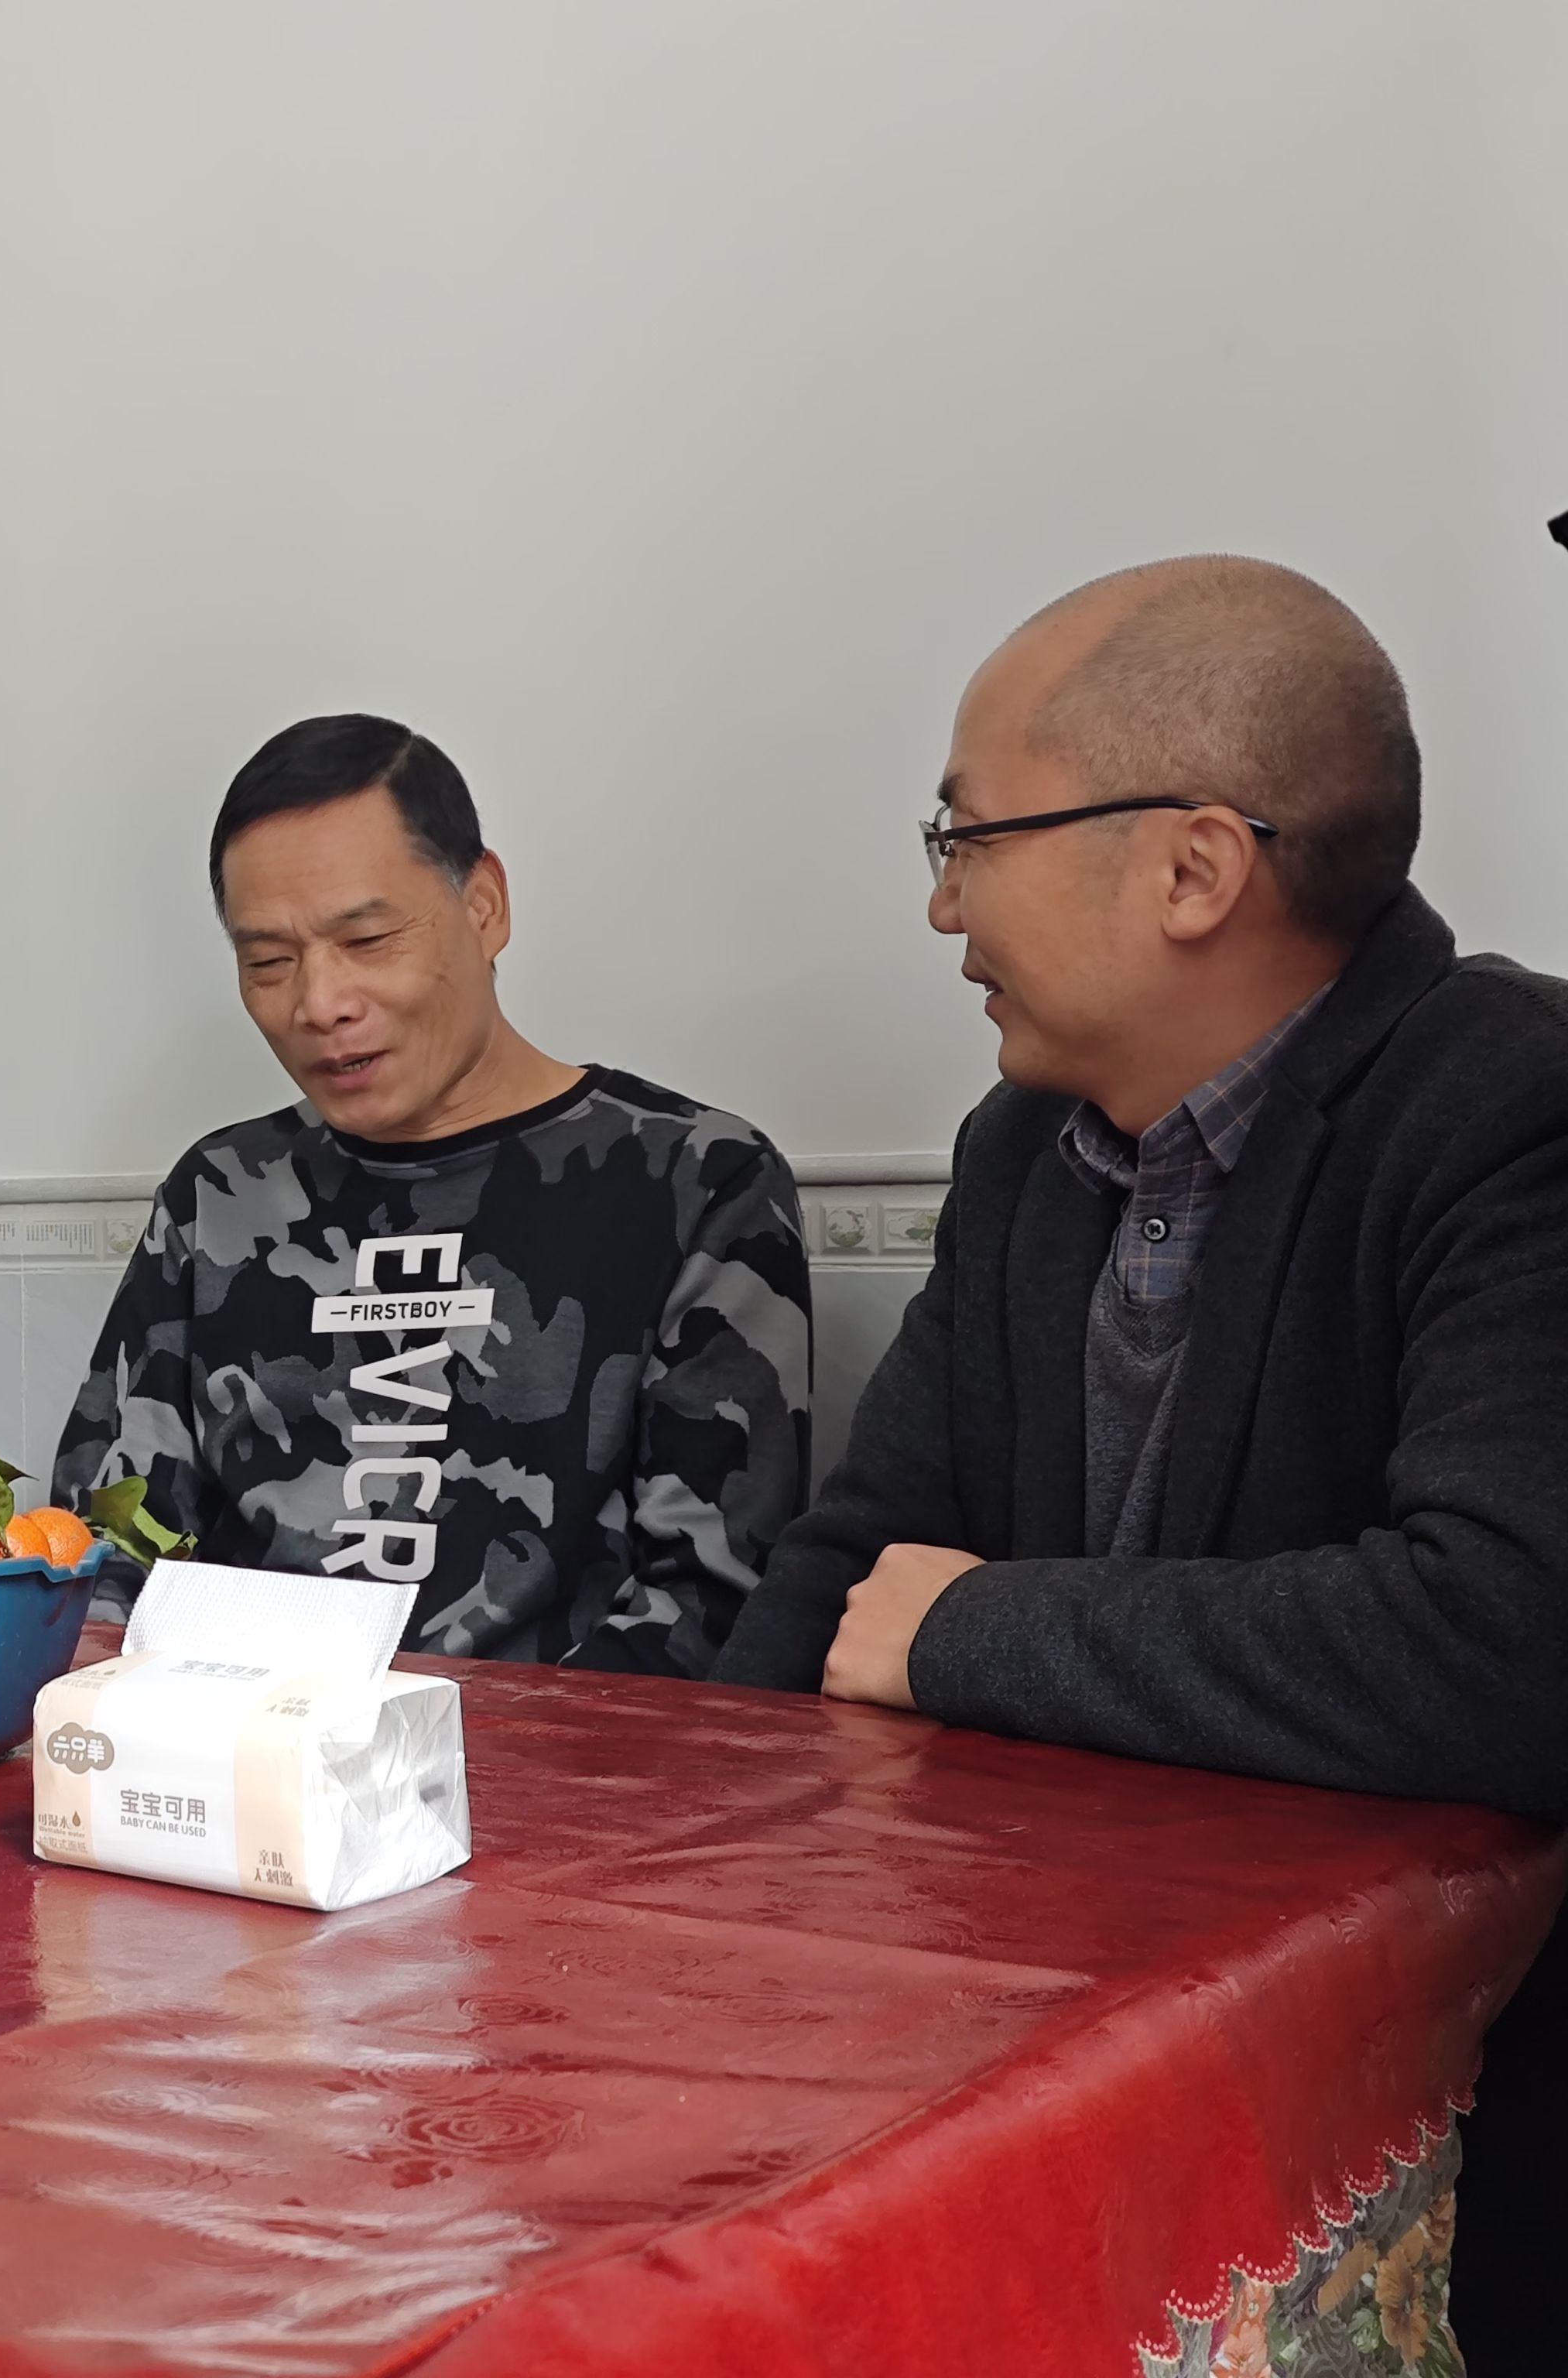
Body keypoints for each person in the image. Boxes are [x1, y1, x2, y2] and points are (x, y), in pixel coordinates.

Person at [711, 555, 1568, 2356]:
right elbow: (848, 1571)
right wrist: (692, 1912)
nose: (941, 904)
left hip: (1416, 2108)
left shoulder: (1509, 1108)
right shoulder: (1024, 1149)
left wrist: (975, 1631)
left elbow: (1506, 1639)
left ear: (1191, 868)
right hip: (1037, 2045)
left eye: (968, 834)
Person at [50, 714, 810, 1674]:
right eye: (268, 963)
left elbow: (711, 1604)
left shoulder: (698, 1181)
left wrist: (436, 1750)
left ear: (484, 906)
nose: (319, 1004)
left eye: (367, 939)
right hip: (242, 1747)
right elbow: (101, 1549)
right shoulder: (217, 1197)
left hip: (560, 1758)